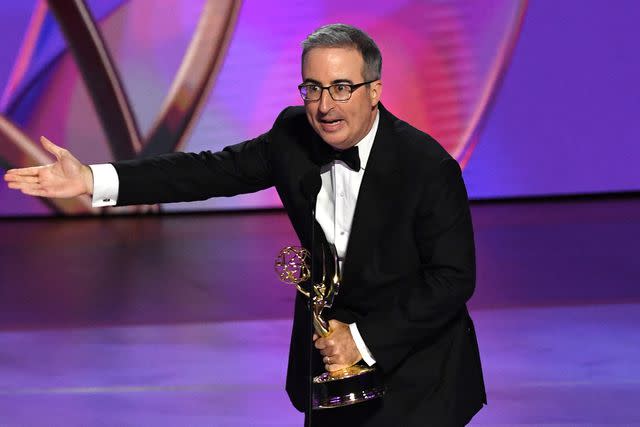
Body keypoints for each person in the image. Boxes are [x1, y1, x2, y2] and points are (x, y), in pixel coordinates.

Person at [4, 24, 486, 426]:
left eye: (341, 88)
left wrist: (360, 340)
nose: (324, 106)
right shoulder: (292, 136)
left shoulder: (427, 167)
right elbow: (204, 171)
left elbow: (452, 279)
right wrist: (92, 178)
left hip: (417, 376)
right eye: (313, 88)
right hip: (327, 374)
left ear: (374, 91)